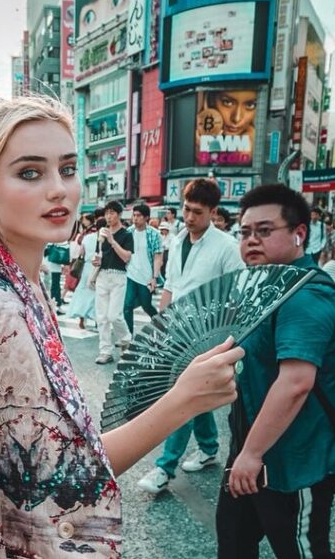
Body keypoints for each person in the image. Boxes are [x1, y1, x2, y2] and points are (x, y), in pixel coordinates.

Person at [0, 96, 243, 557]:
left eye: (67, 168)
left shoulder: (29, 288)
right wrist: (180, 402)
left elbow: (70, 470)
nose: (59, 189)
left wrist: (184, 399)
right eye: (29, 172)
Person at [216, 184, 335, 559]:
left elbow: (296, 382)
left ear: (298, 234)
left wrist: (252, 454)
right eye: (244, 232)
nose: (250, 241)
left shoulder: (305, 295)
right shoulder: (268, 287)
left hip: (296, 463)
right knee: (234, 544)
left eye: (264, 230)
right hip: (251, 452)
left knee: (301, 552)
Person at [138, 178, 244, 495]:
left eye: (197, 212)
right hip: (177, 330)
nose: (189, 217)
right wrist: (159, 326)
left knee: (182, 396)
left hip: (208, 335)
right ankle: (210, 447)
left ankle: (164, 468)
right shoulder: (178, 239)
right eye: (186, 209)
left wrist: (226, 334)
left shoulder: (227, 247)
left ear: (213, 211)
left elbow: (239, 294)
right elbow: (172, 285)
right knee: (194, 395)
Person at [92, 200, 134, 365]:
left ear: (119, 214)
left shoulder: (126, 235)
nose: (108, 217)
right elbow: (99, 256)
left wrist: (112, 240)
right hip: (103, 275)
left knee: (114, 315)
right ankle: (105, 351)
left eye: (112, 213)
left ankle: (126, 339)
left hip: (118, 276)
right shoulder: (101, 234)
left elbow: (126, 257)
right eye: (106, 213)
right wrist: (95, 261)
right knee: (101, 317)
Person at [122, 203, 163, 334]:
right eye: (134, 215)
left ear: (146, 217)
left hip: (146, 276)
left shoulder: (154, 234)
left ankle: (161, 325)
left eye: (138, 216)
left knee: (146, 305)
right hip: (130, 274)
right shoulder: (129, 232)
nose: (135, 218)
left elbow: (157, 257)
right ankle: (129, 336)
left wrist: (154, 277)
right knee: (127, 306)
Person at [67, 209, 103, 330]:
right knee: (97, 295)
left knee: (82, 292)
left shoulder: (88, 237)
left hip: (87, 267)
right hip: (99, 268)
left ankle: (82, 319)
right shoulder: (106, 238)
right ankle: (98, 320)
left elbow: (81, 252)